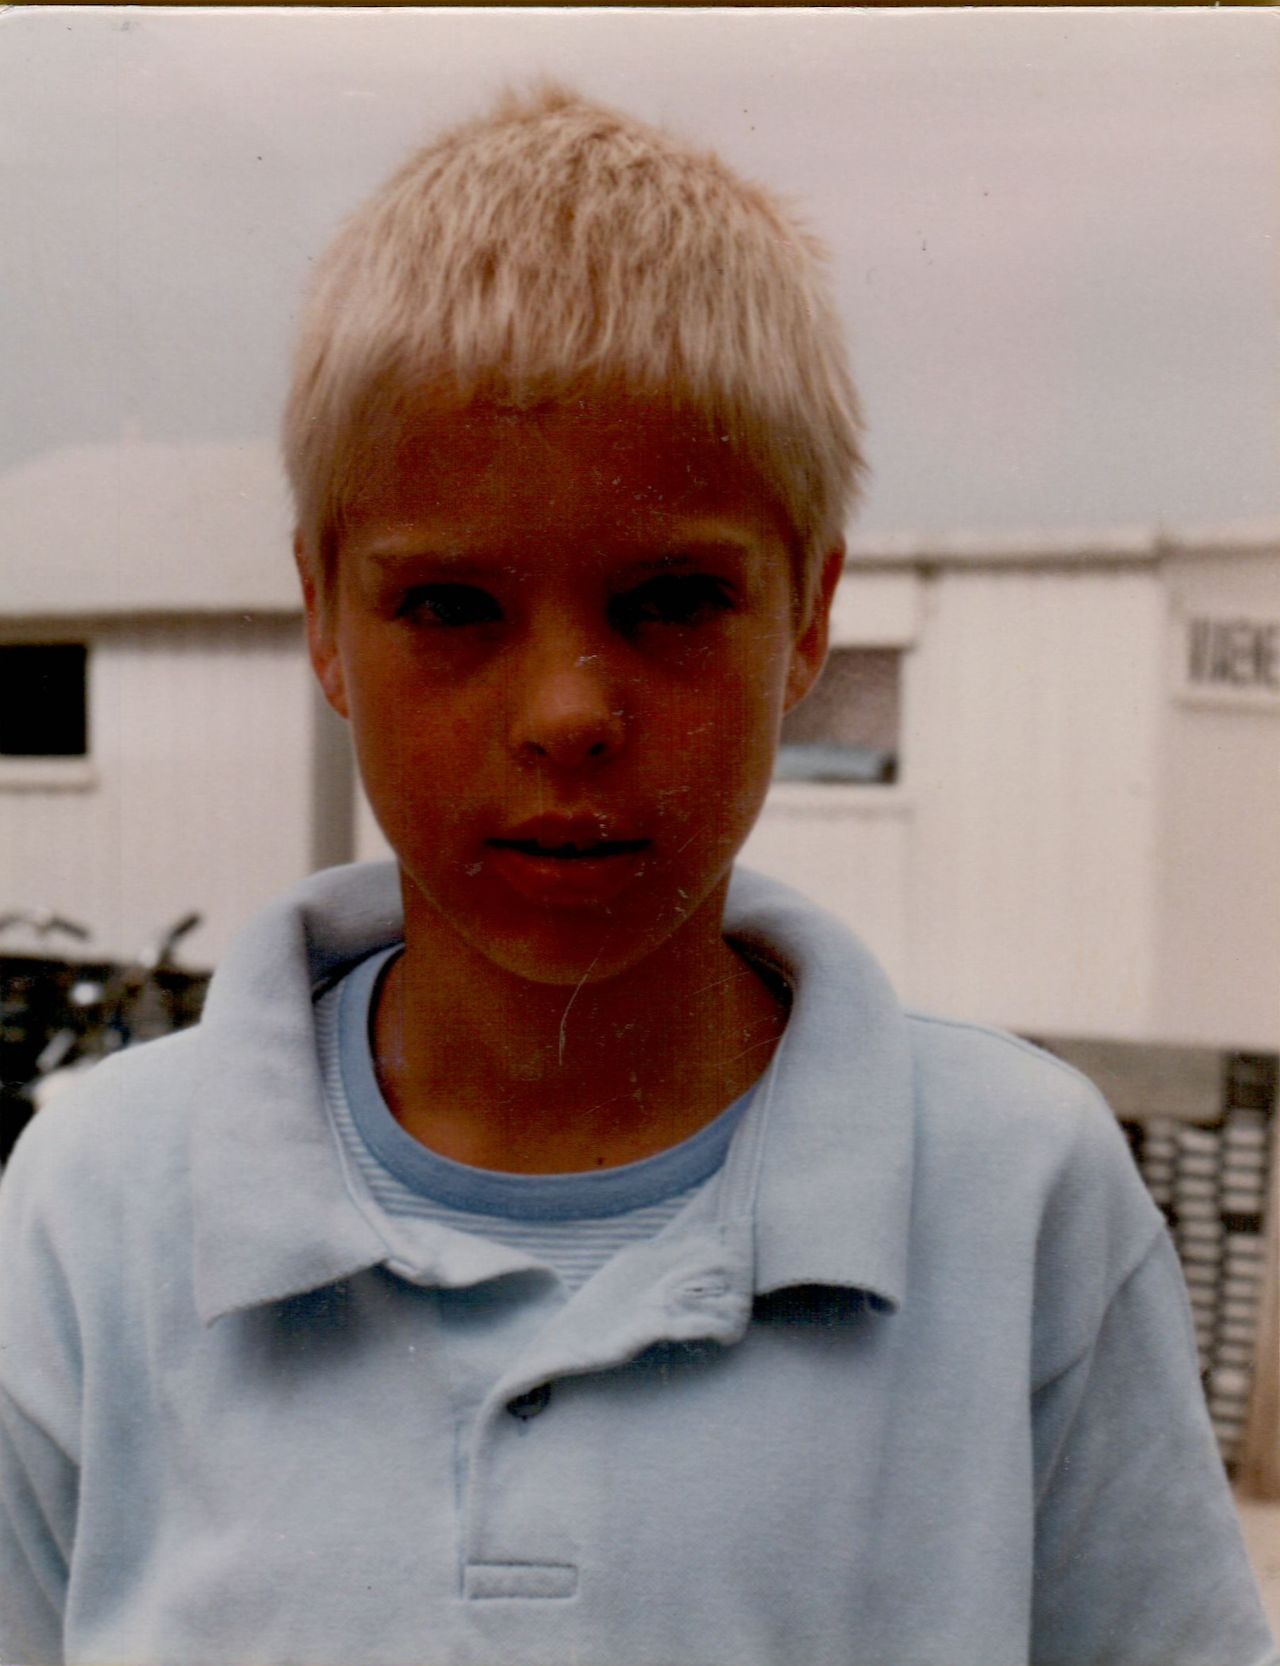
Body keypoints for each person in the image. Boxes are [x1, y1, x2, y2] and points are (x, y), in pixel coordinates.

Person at [0, 85, 1273, 1666]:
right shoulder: (97, 1209)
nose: (566, 715)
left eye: (669, 599)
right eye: (451, 605)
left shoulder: (1021, 1204)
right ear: (323, 614)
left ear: (808, 616)